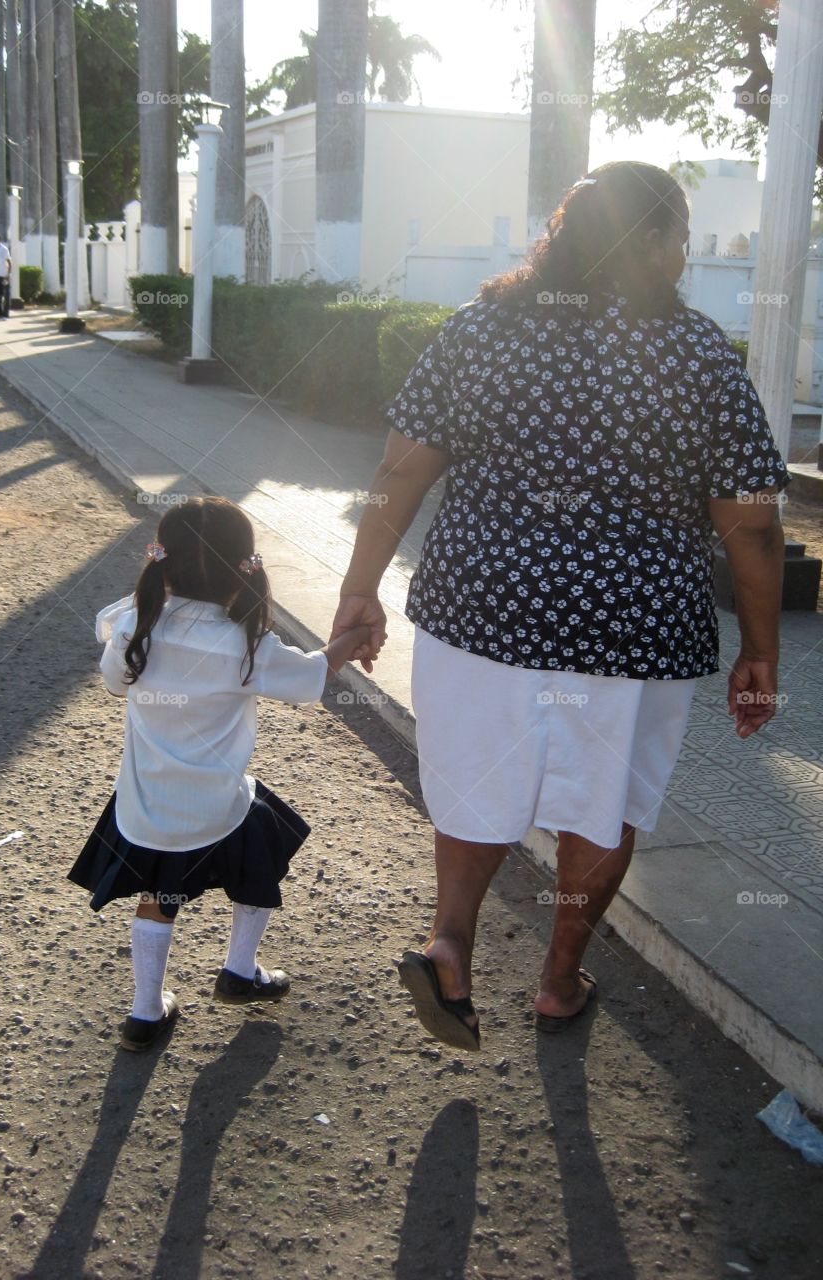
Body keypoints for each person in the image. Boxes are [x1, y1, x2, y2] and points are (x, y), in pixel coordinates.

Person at [331, 160, 788, 1052]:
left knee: (474, 791)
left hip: (479, 614)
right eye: (679, 240)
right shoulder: (696, 354)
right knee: (600, 805)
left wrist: (359, 591)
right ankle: (555, 980)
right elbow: (753, 531)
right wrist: (759, 650)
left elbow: (398, 475)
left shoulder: (481, 330)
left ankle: (450, 946)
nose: (685, 259)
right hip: (631, 633)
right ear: (654, 243)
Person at [68, 497, 372, 1052]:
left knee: (159, 893)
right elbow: (309, 679)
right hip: (218, 811)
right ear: (244, 568)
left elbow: (115, 682)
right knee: (263, 851)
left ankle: (144, 1013)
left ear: (162, 559)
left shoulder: (136, 627)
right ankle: (239, 969)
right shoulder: (246, 644)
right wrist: (350, 641)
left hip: (145, 809)